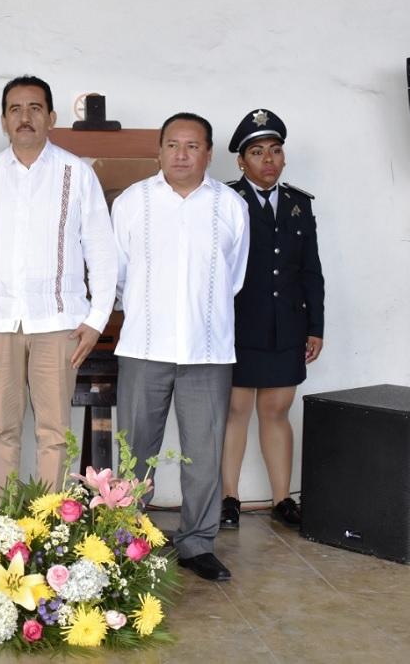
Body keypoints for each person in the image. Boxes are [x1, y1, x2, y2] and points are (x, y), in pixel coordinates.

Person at [111, 113, 249, 582]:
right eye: (173, 144)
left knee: (204, 452)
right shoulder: (133, 203)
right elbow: (119, 275)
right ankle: (126, 536)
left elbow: (235, 278)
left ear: (208, 153)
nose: (182, 154)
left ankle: (197, 544)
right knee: (135, 450)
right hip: (144, 346)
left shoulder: (230, 205)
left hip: (207, 350)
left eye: (193, 146)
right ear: (160, 150)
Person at [0, 75, 117, 490]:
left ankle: (53, 527)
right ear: (3, 120)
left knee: (54, 433)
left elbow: (102, 251)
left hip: (58, 323)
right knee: (0, 428)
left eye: (34, 108)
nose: (25, 117)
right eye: (15, 109)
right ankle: (3, 525)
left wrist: (96, 318)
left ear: (51, 117)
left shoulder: (76, 174)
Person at [220, 109, 324, 530]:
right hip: (239, 325)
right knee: (236, 410)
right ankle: (229, 498)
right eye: (257, 152)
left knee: (277, 409)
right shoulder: (226, 200)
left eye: (275, 151)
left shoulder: (299, 205)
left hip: (287, 325)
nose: (268, 160)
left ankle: (283, 499)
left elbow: (310, 270)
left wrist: (315, 325)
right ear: (241, 162)